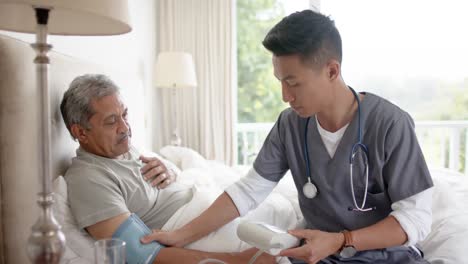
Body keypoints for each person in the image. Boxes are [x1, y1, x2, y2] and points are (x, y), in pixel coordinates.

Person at [143, 10, 434, 264]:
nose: (285, 96)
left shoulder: (390, 124)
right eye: (281, 82)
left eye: (293, 83)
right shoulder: (291, 125)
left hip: (386, 257)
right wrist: (180, 234)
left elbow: (415, 219)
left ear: (332, 70)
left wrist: (341, 239)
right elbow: (249, 190)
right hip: (316, 257)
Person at [60, 74, 275, 264]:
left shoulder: (122, 149)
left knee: (288, 242)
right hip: (191, 233)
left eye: (124, 115)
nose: (125, 128)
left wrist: (171, 172)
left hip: (207, 212)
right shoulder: (87, 178)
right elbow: (141, 253)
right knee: (279, 252)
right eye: (111, 121)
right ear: (81, 132)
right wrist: (238, 261)